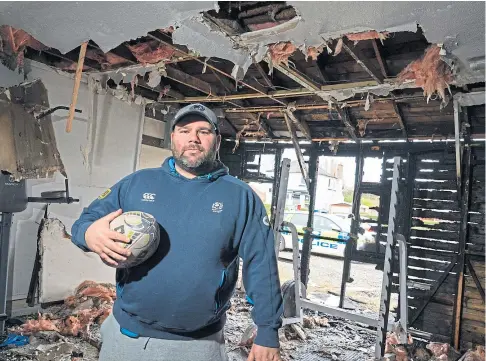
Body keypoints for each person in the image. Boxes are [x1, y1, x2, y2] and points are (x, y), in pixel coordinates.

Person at [71, 103, 284, 361]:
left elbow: (261, 265)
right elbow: (84, 223)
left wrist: (268, 330)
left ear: (217, 140)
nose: (193, 138)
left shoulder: (240, 197)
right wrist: (89, 234)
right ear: (172, 137)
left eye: (203, 131)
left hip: (198, 343)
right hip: (127, 336)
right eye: (184, 130)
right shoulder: (137, 183)